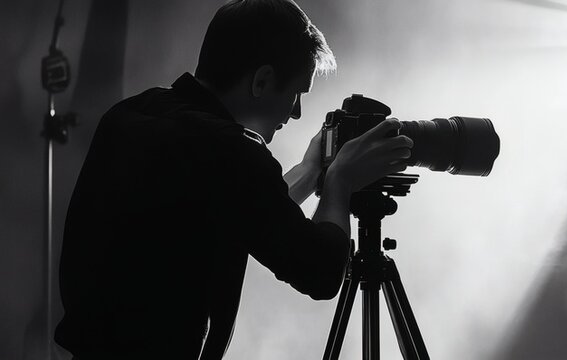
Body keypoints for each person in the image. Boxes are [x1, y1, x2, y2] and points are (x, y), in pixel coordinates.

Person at [54, 0, 412, 358]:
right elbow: (320, 271)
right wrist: (341, 181)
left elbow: (244, 209)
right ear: (262, 81)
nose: (297, 112)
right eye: (297, 93)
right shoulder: (230, 151)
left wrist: (309, 170)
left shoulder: (131, 113)